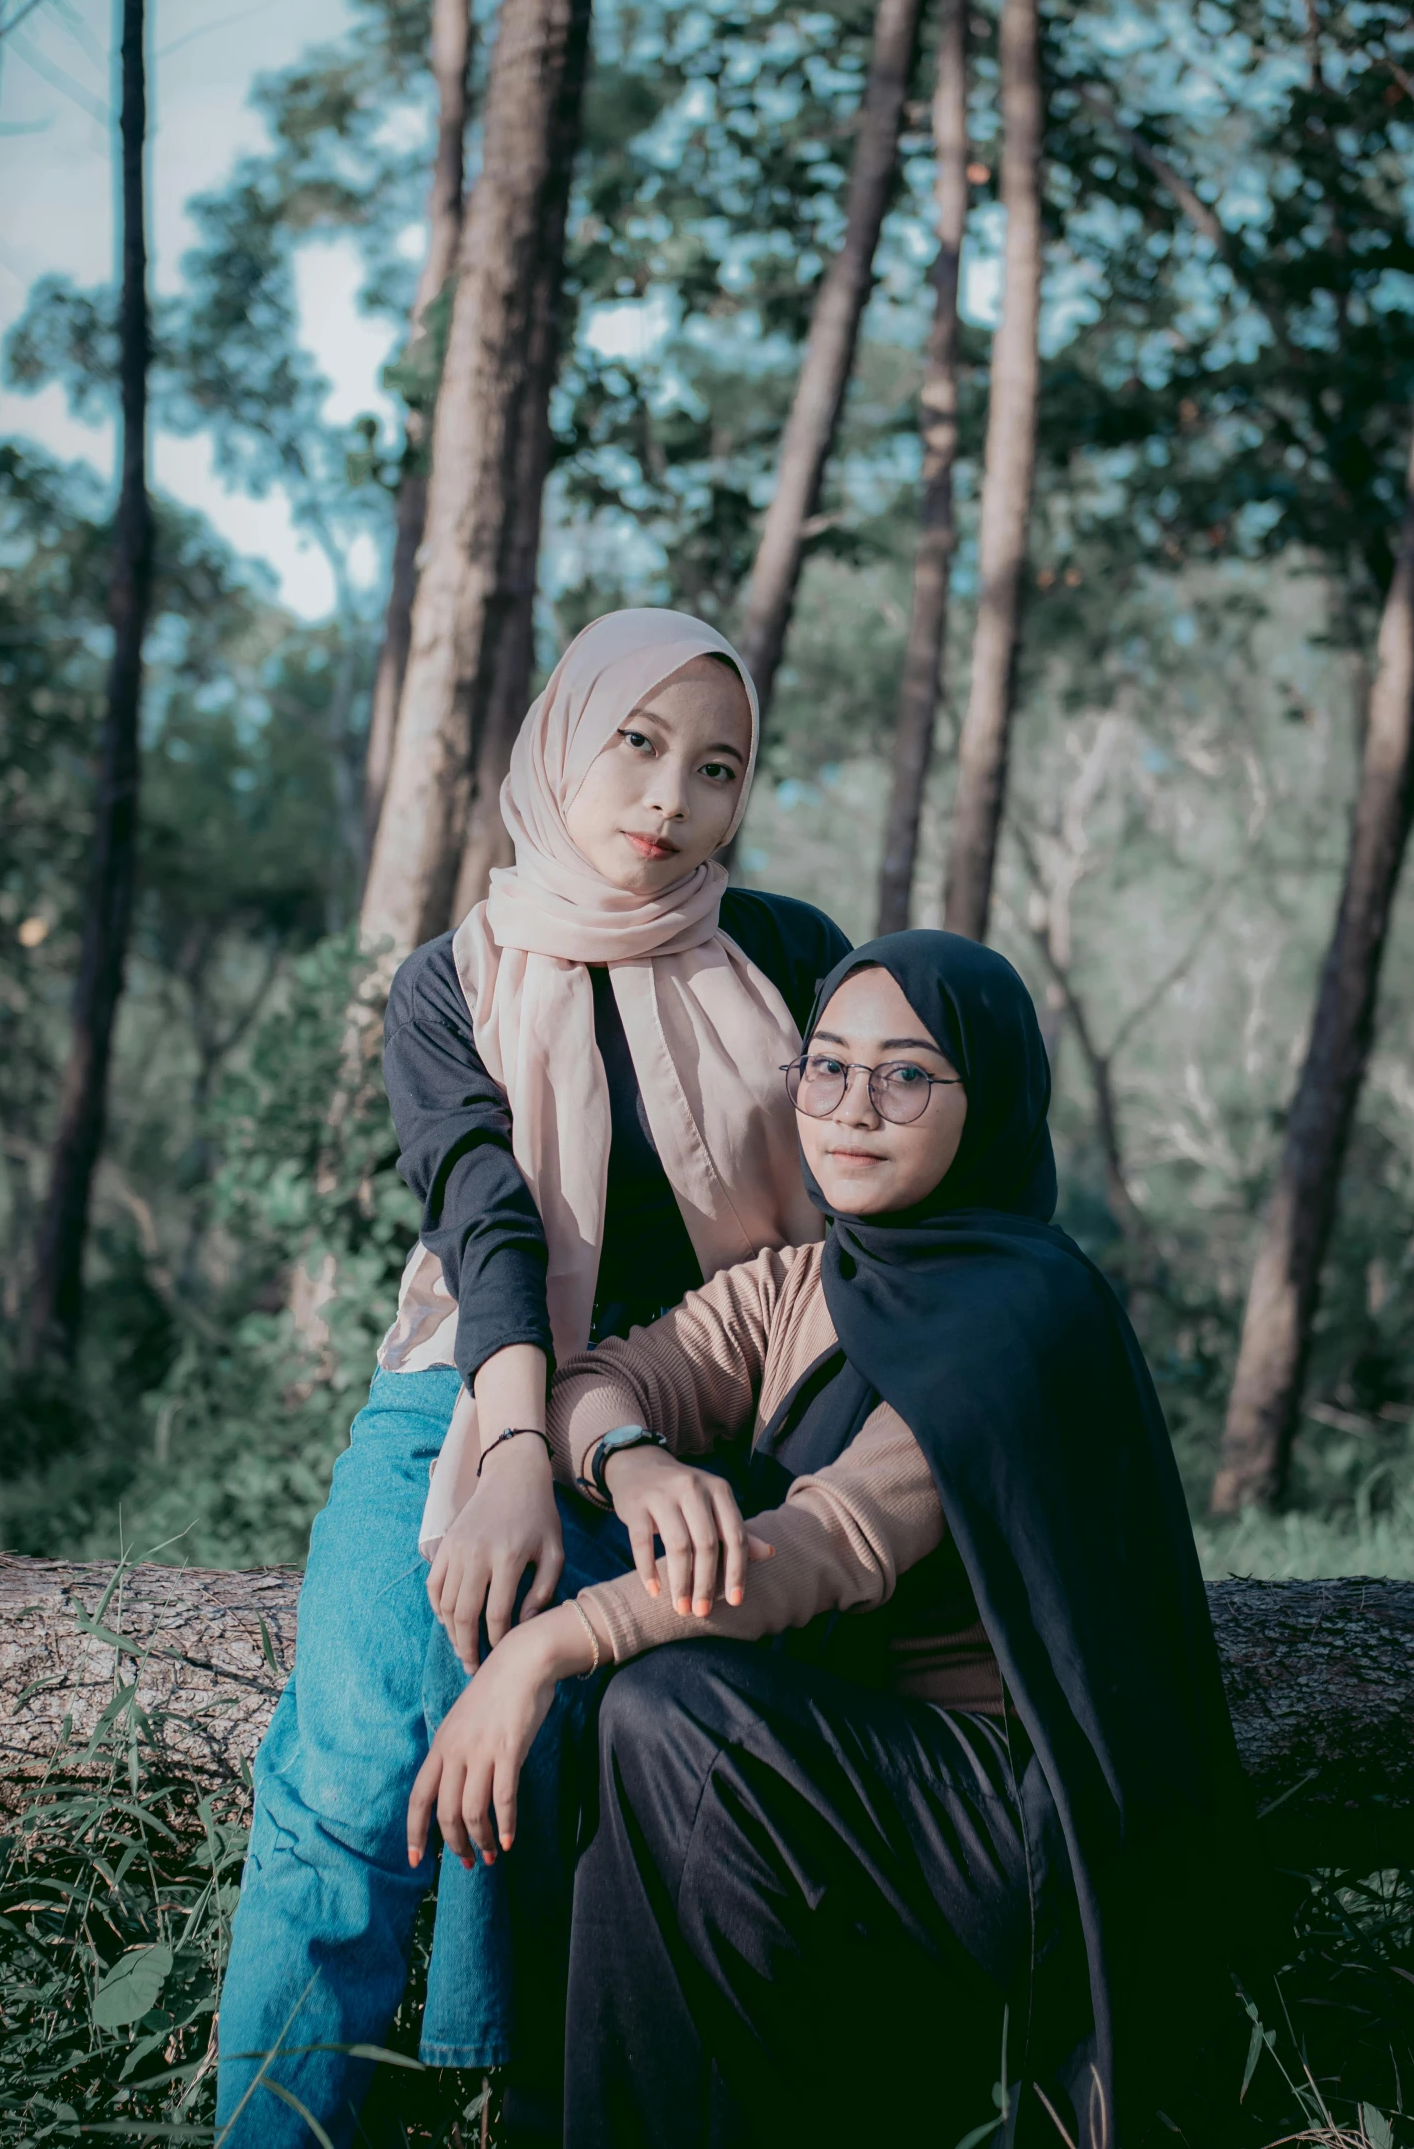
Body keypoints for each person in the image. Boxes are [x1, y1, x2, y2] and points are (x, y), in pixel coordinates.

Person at [409, 930, 1258, 2148]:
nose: (853, 1108)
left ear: (993, 1097)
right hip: (857, 1781)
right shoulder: (808, 1280)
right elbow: (597, 1374)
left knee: (670, 1710)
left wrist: (540, 1652)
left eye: (907, 1075)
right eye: (826, 1067)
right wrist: (628, 1457)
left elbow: (827, 1545)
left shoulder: (1021, 1313)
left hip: (1019, 1818)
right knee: (661, 1718)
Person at [214, 608, 849, 2149]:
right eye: (636, 745)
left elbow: (857, 1192)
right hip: (467, 1377)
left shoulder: (786, 954)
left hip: (714, 1403)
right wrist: (509, 1446)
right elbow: (484, 1209)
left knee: (634, 1756)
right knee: (349, 1772)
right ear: (564, 739)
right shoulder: (452, 979)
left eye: (715, 767)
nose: (669, 800)